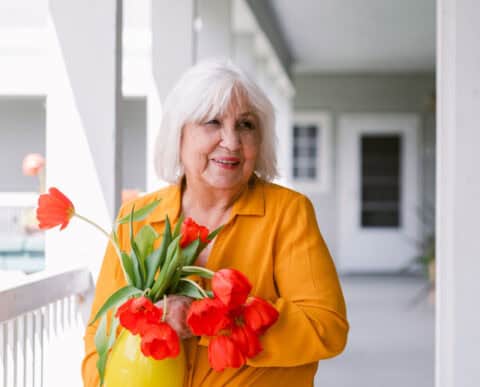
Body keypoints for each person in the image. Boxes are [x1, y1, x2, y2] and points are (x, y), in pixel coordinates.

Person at [82, 59, 349, 387]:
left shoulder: (288, 213)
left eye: (246, 125)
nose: (233, 142)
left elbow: (325, 327)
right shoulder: (136, 218)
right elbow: (101, 337)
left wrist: (207, 318)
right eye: (212, 122)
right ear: (178, 134)